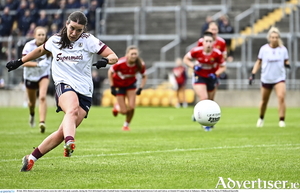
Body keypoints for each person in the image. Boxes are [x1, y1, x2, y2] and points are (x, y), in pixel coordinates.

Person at [6, 11, 118, 172]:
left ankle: (31, 158)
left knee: (61, 131)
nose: (74, 33)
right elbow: (40, 51)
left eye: (79, 30)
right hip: (64, 84)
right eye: (72, 28)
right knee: (71, 110)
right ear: (67, 24)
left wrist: (105, 60)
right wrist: (19, 61)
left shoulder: (89, 40)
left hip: (85, 90)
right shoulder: (55, 40)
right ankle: (70, 141)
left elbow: (114, 56)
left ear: (83, 30)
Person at [183, 31, 226, 131]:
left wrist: (215, 74)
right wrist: (193, 66)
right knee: (204, 98)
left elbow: (223, 67)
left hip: (211, 78)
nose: (208, 43)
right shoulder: (196, 51)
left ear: (213, 43)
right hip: (199, 77)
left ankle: (199, 115)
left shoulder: (217, 53)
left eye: (210, 41)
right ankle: (205, 124)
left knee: (210, 101)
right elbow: (185, 59)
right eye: (206, 41)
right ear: (202, 42)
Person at [249, 27, 290, 128]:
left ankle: (281, 120)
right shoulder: (264, 49)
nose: (274, 39)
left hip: (279, 78)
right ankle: (261, 118)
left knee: (281, 97)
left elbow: (286, 60)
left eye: (276, 37)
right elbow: (259, 62)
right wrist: (253, 74)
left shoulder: (283, 49)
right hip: (266, 78)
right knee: (264, 100)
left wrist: (287, 64)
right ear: (269, 38)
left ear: (278, 38)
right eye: (272, 37)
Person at [108, 45, 147, 131]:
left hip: (131, 85)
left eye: (135, 54)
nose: (134, 56)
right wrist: (112, 86)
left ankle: (126, 125)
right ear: (127, 55)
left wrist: (140, 88)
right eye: (132, 54)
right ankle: (117, 107)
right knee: (124, 111)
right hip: (119, 85)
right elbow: (110, 72)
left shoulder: (140, 64)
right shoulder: (120, 62)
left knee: (132, 107)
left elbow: (144, 76)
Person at [22, 26, 52, 133]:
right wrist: (38, 64)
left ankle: (42, 122)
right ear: (35, 36)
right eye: (39, 35)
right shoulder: (29, 46)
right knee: (32, 103)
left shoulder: (49, 46)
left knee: (43, 97)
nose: (41, 37)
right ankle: (32, 114)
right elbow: (24, 62)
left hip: (43, 74)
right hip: (30, 76)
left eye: (43, 35)